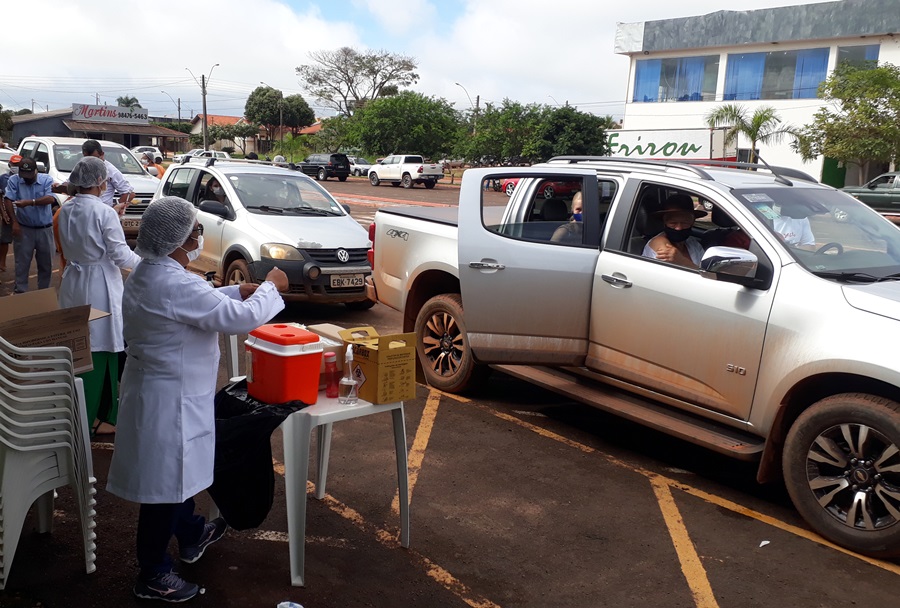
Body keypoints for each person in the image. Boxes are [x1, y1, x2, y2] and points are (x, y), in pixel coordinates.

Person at [106, 196, 288, 602]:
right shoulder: (172, 282)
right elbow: (236, 320)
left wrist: (236, 289)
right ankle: (152, 572)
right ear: (177, 240)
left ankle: (191, 534)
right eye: (195, 233)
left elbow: (202, 303)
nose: (198, 239)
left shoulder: (151, 272)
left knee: (178, 472)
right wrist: (271, 288)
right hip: (169, 400)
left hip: (163, 393)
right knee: (165, 486)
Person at [57, 156, 142, 437]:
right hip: (100, 285)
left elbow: (85, 236)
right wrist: (149, 263)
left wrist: (113, 213)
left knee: (78, 346)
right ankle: (97, 415)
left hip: (74, 281)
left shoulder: (67, 209)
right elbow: (120, 255)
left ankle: (82, 412)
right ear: (100, 182)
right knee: (102, 346)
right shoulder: (103, 213)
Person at [6, 156, 59, 293]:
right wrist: (14, 223)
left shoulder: (46, 179)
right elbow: (8, 200)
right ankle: (20, 294)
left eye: (29, 175)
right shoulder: (15, 180)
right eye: (24, 175)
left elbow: (50, 198)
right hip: (24, 228)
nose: (27, 178)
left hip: (44, 229)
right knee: (22, 264)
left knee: (46, 264)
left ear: (36, 170)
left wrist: (30, 202)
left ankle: (43, 293)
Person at [642, 193, 706, 268]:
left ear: (692, 222)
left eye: (684, 223)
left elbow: (705, 269)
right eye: (673, 223)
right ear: (664, 222)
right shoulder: (658, 242)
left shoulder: (693, 244)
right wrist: (682, 261)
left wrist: (682, 260)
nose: (678, 228)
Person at [81, 139, 134, 215]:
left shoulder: (110, 170)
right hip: (84, 211)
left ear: (102, 154)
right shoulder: (82, 167)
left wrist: (113, 210)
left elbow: (129, 193)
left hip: (102, 213)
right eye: (87, 159)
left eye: (95, 158)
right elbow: (70, 185)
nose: (91, 162)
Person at [0, 155, 22, 272]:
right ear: (9, 165)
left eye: (18, 165)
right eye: (14, 165)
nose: (16, 167)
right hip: (8, 212)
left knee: (22, 241)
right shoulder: (3, 178)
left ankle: (21, 265)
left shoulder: (25, 178)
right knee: (4, 240)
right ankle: (2, 263)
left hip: (22, 214)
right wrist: (3, 213)